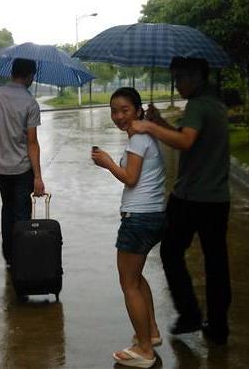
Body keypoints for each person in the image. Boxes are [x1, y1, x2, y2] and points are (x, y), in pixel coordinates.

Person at [131, 57, 231, 345]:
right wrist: (160, 122)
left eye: (181, 77)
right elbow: (187, 138)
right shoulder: (214, 103)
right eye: (175, 77)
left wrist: (149, 128)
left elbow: (185, 141)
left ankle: (189, 314)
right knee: (216, 263)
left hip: (191, 197)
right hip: (217, 199)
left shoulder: (198, 105)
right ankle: (218, 328)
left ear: (198, 76)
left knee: (171, 252)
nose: (177, 83)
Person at [91, 87, 165, 368]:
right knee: (137, 277)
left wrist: (108, 162)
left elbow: (130, 178)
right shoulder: (145, 136)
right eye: (114, 110)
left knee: (128, 283)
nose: (118, 116)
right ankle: (152, 333)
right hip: (153, 215)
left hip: (139, 219)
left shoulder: (138, 140)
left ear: (137, 110)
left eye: (124, 110)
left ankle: (145, 350)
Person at [0, 58, 45, 267]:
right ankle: (22, 257)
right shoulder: (30, 103)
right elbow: (32, 143)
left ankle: (9, 256)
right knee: (21, 213)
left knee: (7, 208)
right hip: (21, 168)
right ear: (30, 76)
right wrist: (38, 177)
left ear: (12, 72)